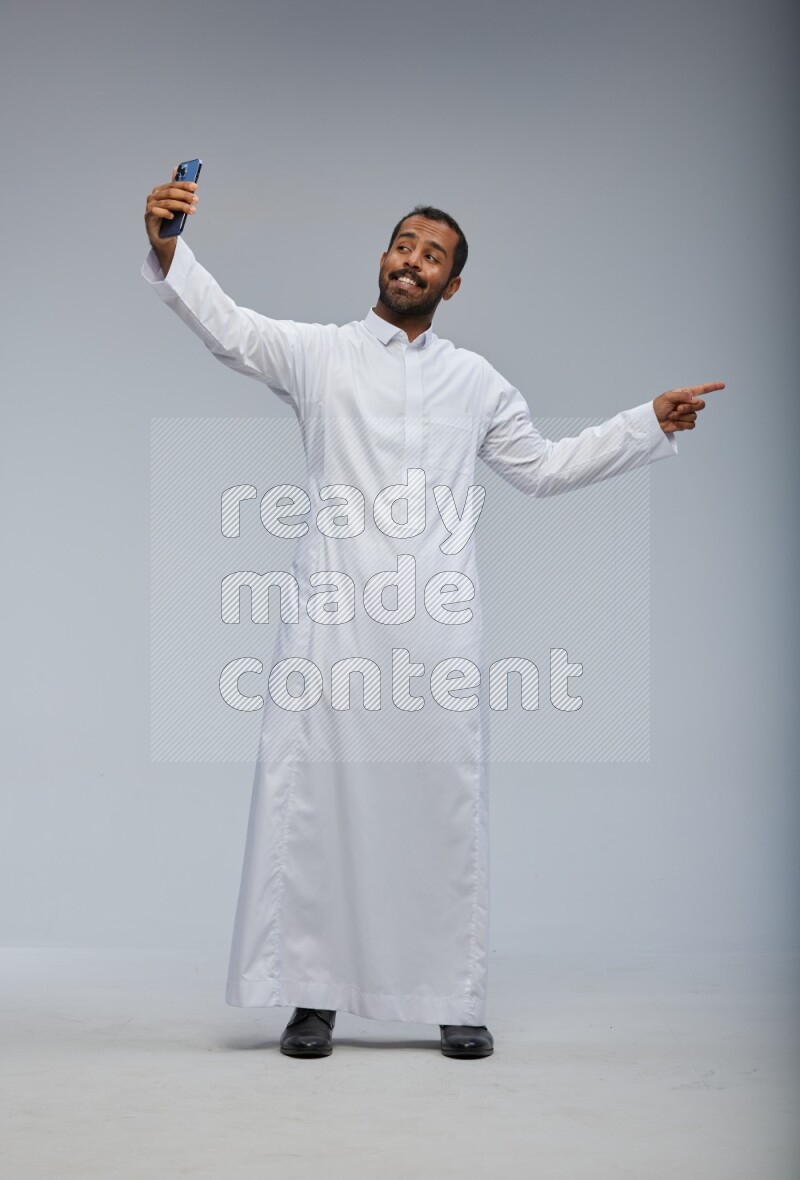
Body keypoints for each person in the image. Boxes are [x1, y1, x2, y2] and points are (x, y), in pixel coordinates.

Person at [142, 170, 723, 1060]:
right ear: (383, 258)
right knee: (319, 809)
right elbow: (231, 330)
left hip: (435, 628)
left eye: (434, 255)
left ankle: (453, 995)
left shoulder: (476, 382)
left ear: (452, 286)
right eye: (405, 244)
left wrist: (647, 422)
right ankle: (312, 998)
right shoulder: (320, 354)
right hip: (332, 621)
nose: (413, 261)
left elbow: (543, 468)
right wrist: (169, 246)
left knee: (439, 807)